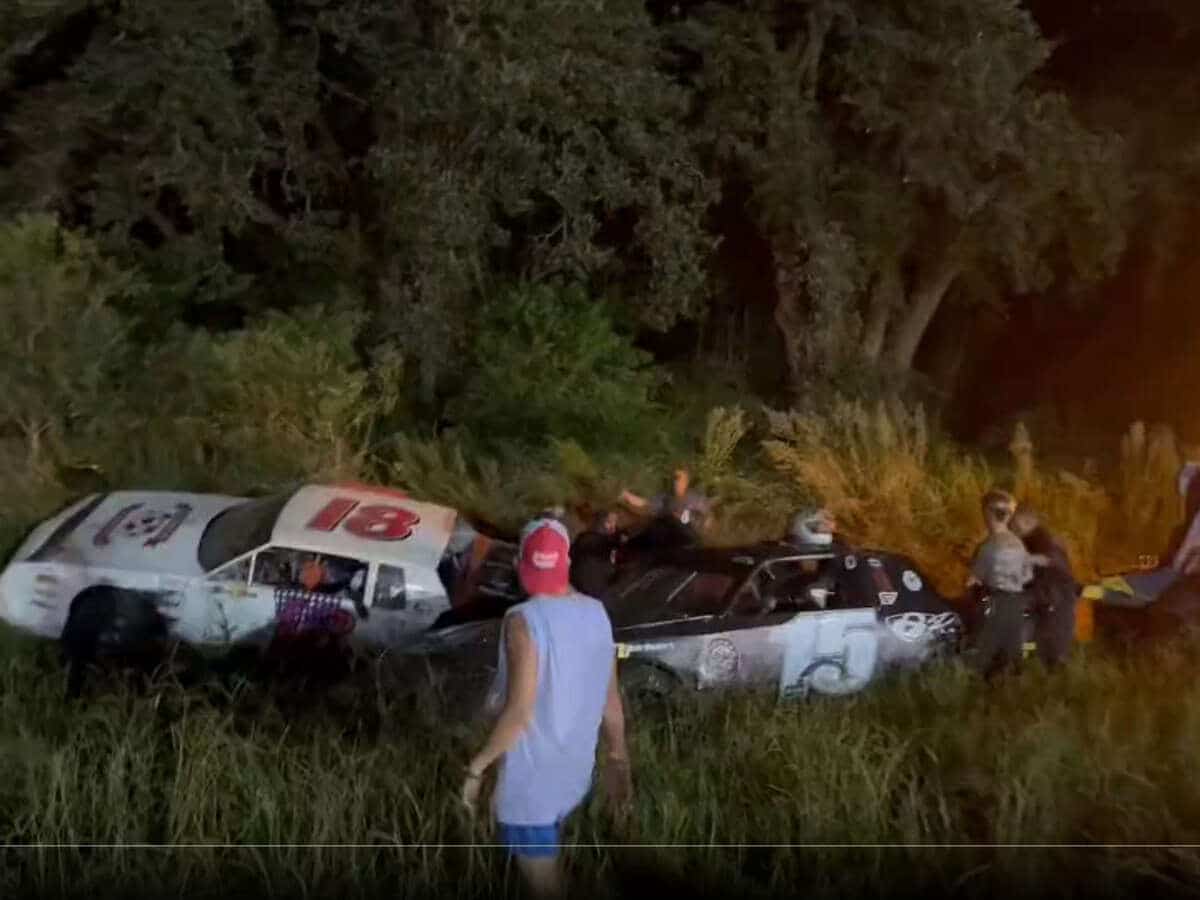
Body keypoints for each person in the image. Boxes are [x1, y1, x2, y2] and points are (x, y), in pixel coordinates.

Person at [460, 517, 632, 900]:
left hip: (530, 788)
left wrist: (476, 768)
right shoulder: (596, 614)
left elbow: (518, 712)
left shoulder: (522, 620)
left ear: (521, 564)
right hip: (575, 775)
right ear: (565, 562)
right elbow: (611, 705)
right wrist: (619, 761)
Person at [966, 489, 1042, 679]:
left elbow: (972, 581)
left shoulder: (987, 546)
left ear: (987, 513)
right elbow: (1027, 576)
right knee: (1010, 659)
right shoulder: (1019, 544)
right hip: (1016, 605)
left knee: (980, 661)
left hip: (994, 604)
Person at [1011, 506, 1079, 667]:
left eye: (1016, 525)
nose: (1013, 530)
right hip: (1051, 599)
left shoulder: (1043, 541)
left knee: (1051, 647)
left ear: (1029, 522)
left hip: (1054, 599)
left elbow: (1049, 563)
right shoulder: (1034, 541)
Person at [618, 466, 713, 534]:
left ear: (687, 481)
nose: (676, 482)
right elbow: (644, 503)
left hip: (690, 541)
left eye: (679, 478)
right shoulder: (665, 498)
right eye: (674, 478)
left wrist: (700, 523)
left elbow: (709, 519)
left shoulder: (697, 499)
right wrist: (627, 495)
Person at [569, 510, 624, 598]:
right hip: (585, 591)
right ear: (599, 522)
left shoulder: (612, 544)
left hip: (593, 592)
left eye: (615, 523)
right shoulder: (588, 540)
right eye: (609, 522)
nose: (613, 527)